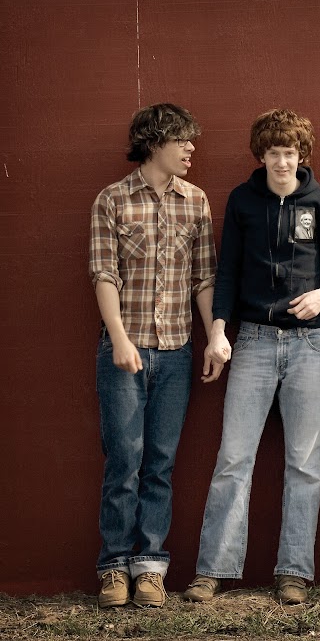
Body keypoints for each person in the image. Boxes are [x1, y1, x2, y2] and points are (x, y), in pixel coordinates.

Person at [182, 109, 320, 605]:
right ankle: (212, 570)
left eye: (289, 153)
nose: (282, 162)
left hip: (309, 345)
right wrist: (218, 331)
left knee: (305, 463)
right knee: (234, 457)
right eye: (274, 153)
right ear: (262, 155)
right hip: (253, 341)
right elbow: (228, 272)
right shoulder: (242, 201)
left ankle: (294, 572)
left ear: (302, 155)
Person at [89, 103, 219, 608]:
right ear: (155, 142)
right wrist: (120, 339)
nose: (191, 148)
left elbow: (203, 278)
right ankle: (114, 568)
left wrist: (213, 337)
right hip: (126, 351)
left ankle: (149, 568)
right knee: (124, 460)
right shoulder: (112, 200)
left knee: (160, 463)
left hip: (176, 352)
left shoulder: (196, 201)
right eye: (182, 139)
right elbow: (105, 275)